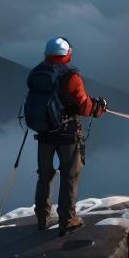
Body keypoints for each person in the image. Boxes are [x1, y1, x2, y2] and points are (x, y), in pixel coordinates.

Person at [24, 36, 106, 233]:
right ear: (67, 54)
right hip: (66, 134)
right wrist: (99, 107)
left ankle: (42, 218)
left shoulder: (38, 72)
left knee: (44, 176)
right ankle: (67, 220)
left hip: (43, 133)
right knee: (70, 176)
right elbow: (85, 108)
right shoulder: (71, 77)